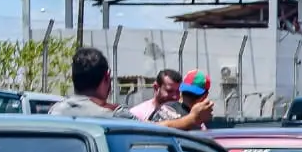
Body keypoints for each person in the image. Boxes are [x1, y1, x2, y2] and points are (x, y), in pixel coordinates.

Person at [49, 47, 210, 130]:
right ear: (107, 77)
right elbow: (156, 131)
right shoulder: (114, 116)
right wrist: (192, 119)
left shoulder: (54, 114)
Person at [150, 69, 215, 127]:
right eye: (187, 93)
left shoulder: (165, 105)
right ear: (205, 96)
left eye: (193, 95)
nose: (189, 98)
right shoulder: (192, 123)